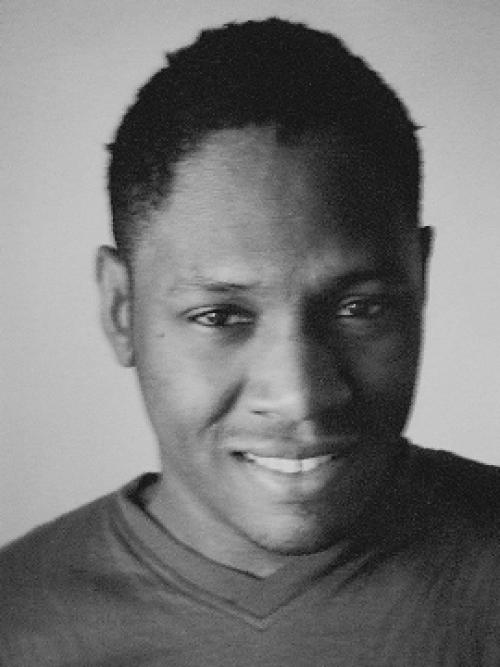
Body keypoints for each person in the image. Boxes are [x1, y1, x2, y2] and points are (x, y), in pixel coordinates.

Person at [0, 17, 498, 666]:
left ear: (420, 283)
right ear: (121, 310)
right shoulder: (18, 624)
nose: (300, 395)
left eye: (360, 308)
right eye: (220, 316)